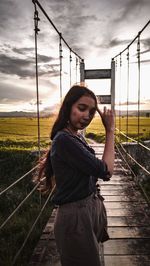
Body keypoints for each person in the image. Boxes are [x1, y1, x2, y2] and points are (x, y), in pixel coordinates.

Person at [37, 84, 115, 266]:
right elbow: (107, 171)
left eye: (92, 111)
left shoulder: (75, 136)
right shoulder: (64, 140)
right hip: (75, 219)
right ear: (68, 107)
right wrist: (110, 131)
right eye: (82, 108)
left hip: (88, 209)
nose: (87, 116)